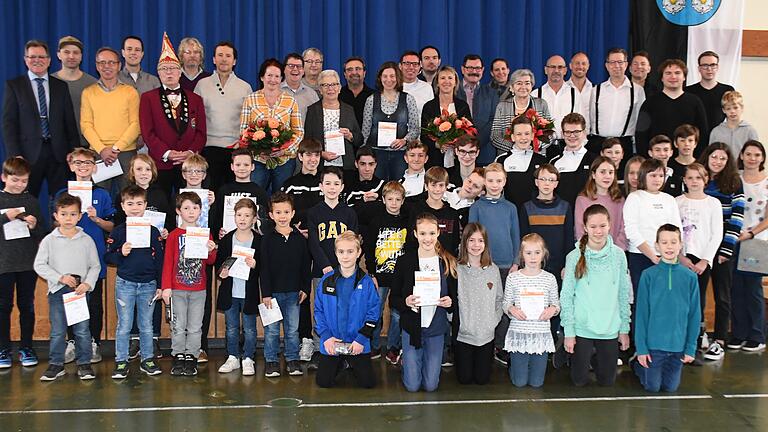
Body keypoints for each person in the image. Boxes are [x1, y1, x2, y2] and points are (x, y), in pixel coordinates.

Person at [54, 148, 115, 364]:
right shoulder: (63, 193)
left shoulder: (102, 194)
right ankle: (73, 342)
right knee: (72, 300)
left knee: (94, 302)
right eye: (78, 163)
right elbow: (54, 224)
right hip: (69, 256)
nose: (82, 167)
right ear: (71, 165)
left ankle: (93, 342)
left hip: (94, 256)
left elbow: (112, 226)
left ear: (95, 167)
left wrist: (96, 219)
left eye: (87, 163)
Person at [561, 204, 631, 386]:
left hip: (609, 327)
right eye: (593, 227)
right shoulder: (574, 257)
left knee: (607, 381)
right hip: (582, 327)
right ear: (585, 228)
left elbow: (624, 293)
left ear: (610, 225)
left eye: (602, 226)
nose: (598, 231)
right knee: (579, 381)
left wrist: (624, 329)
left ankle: (596, 358)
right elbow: (566, 295)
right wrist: (569, 332)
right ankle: (572, 352)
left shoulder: (618, 256)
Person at [34, 194, 100, 381]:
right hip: (57, 292)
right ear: (56, 216)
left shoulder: (86, 240)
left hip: (79, 293)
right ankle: (56, 364)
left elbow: (95, 266)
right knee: (57, 330)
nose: (68, 218)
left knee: (81, 329)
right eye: (64, 214)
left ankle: (84, 363)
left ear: (80, 216)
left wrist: (87, 284)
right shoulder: (49, 240)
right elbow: (40, 265)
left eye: (73, 214)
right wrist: (60, 278)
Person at [3, 39, 79, 197]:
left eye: (41, 57)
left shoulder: (60, 86)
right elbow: (9, 123)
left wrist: (74, 151)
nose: (37, 60)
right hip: (27, 154)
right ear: (25, 60)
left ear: (49, 60)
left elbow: (69, 122)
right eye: (32, 57)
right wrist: (15, 155)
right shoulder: (14, 86)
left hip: (58, 153)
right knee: (25, 198)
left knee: (61, 199)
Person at [391, 213, 457, 392]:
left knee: (430, 386)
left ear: (438, 233)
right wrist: (406, 301)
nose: (427, 238)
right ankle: (407, 359)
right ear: (415, 234)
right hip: (412, 327)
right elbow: (393, 299)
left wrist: (449, 302)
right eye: (422, 234)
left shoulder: (447, 262)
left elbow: (454, 299)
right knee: (412, 386)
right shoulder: (405, 261)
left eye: (431, 233)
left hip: (436, 328)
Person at [104, 185, 164, 378]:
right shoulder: (119, 231)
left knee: (147, 325)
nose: (135, 207)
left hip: (148, 285)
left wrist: (161, 285)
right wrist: (121, 252)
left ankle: (147, 359)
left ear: (145, 205)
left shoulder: (153, 231)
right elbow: (108, 257)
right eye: (130, 204)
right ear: (122, 206)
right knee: (124, 325)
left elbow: (160, 259)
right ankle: (121, 362)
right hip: (126, 285)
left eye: (139, 203)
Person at [633, 224, 700, 392]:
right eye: (664, 242)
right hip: (654, 346)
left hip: (678, 346)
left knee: (670, 388)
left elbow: (694, 315)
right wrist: (641, 348)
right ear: (656, 245)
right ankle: (637, 364)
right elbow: (641, 314)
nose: (669, 246)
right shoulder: (648, 275)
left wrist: (690, 348)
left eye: (673, 242)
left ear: (680, 245)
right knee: (652, 387)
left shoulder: (690, 277)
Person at [140, 33, 207, 193]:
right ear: (159, 73)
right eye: (164, 69)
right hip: (160, 163)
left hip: (188, 165)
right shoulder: (148, 98)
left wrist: (189, 153)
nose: (169, 73)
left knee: (188, 205)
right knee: (160, 205)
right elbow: (147, 132)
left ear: (180, 72)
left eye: (173, 69)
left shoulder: (195, 99)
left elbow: (201, 132)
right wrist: (167, 153)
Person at [307, 167, 359, 366]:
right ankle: (322, 350)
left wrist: (342, 268)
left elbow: (353, 244)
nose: (332, 187)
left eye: (336, 184)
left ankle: (344, 352)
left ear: (342, 187)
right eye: (327, 183)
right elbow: (313, 243)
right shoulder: (314, 213)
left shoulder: (349, 213)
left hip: (345, 272)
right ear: (321, 187)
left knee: (344, 310)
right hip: (321, 271)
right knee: (322, 311)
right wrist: (326, 266)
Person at [314, 231, 380, 388]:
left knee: (368, 384)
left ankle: (350, 361)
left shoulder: (367, 282)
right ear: (336, 253)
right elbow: (318, 311)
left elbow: (373, 313)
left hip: (357, 343)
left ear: (358, 253)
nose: (345, 256)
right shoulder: (326, 280)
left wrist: (361, 339)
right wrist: (327, 337)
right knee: (323, 382)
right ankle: (342, 362)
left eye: (350, 251)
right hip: (333, 341)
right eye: (341, 252)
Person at [698, 143, 745, 361]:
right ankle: (699, 336)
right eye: (714, 157)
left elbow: (737, 218)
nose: (717, 162)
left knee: (722, 295)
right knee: (696, 295)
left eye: (722, 159)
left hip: (723, 245)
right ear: (707, 158)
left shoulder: (734, 183)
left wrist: (726, 249)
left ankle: (719, 340)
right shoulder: (697, 178)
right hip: (700, 245)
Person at [162, 192, 217, 376]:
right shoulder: (173, 236)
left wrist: (211, 250)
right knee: (178, 325)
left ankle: (192, 356)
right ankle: (178, 355)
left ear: (201, 210)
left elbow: (210, 262)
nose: (191, 212)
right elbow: (168, 261)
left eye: (195, 208)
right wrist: (166, 287)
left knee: (195, 326)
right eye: (186, 208)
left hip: (198, 289)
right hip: (177, 288)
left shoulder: (205, 234)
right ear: (178, 211)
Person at [0, 157, 45, 369]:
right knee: (3, 307)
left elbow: (42, 234)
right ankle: (3, 348)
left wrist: (35, 226)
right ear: (4, 177)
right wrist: (4, 218)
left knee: (26, 306)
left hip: (27, 263)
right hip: (3, 264)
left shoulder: (31, 201)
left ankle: (27, 346)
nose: (19, 185)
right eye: (15, 180)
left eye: (24, 181)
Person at [260, 192, 312, 376]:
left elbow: (306, 266)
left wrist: (305, 288)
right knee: (272, 331)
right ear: (271, 215)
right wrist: (266, 293)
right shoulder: (266, 239)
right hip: (272, 294)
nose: (282, 216)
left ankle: (292, 359)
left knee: (292, 330)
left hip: (293, 294)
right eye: (278, 212)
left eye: (286, 212)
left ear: (292, 213)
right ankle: (271, 361)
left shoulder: (300, 239)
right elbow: (263, 268)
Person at [80, 46, 141, 195]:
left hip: (125, 152)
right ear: (96, 66)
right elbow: (86, 125)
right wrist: (102, 149)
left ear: (119, 65)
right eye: (102, 63)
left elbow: (136, 124)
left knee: (128, 197)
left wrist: (115, 148)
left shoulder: (130, 92)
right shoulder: (88, 93)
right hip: (98, 153)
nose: (107, 66)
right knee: (98, 198)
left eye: (111, 62)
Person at [676, 162, 723, 352]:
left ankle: (694, 343)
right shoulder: (677, 202)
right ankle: (677, 340)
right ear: (684, 180)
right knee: (679, 300)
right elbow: (672, 231)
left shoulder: (713, 203)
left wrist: (706, 260)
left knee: (698, 301)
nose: (694, 181)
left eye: (698, 178)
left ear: (706, 180)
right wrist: (680, 256)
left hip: (702, 261)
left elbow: (716, 234)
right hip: (681, 258)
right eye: (690, 178)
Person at [194, 41, 253, 192]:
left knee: (231, 196)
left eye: (228, 56)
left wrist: (242, 144)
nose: (224, 59)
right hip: (208, 148)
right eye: (220, 55)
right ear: (213, 59)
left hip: (234, 149)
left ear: (234, 61)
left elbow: (250, 121)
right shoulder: (202, 85)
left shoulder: (245, 87)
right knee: (210, 194)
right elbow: (194, 119)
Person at [504, 233, 560, 387]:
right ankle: (513, 368)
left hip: (540, 335)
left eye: (537, 252)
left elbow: (556, 304)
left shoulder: (549, 278)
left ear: (544, 254)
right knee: (520, 383)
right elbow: (506, 303)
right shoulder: (513, 278)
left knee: (537, 384)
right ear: (522, 255)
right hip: (519, 333)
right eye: (528, 253)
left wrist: (552, 310)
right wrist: (511, 309)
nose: (533, 257)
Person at [240, 58, 304, 192]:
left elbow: (298, 132)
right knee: (255, 197)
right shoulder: (251, 99)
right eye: (269, 75)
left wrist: (285, 150)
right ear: (262, 77)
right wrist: (257, 149)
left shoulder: (290, 100)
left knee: (281, 198)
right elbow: (244, 130)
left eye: (277, 76)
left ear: (281, 79)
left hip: (284, 161)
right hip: (258, 160)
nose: (273, 80)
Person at [363, 181, 409, 363]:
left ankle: (393, 347)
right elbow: (369, 248)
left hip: (401, 277)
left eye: (398, 199)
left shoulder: (407, 222)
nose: (394, 203)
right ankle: (374, 346)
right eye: (390, 199)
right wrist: (372, 273)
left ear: (403, 201)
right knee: (376, 311)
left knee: (397, 314)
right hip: (380, 276)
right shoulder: (376, 222)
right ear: (383, 200)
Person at [623, 158, 682, 297]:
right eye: (653, 175)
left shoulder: (669, 199)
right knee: (644, 299)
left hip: (667, 257)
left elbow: (677, 230)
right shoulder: (634, 197)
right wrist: (653, 257)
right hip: (641, 256)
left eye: (661, 175)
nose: (657, 179)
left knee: (665, 299)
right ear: (643, 176)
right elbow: (631, 231)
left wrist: (671, 254)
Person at [215, 199, 261, 376]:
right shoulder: (227, 239)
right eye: (239, 215)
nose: (242, 219)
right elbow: (220, 264)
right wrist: (222, 272)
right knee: (231, 327)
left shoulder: (259, 240)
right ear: (234, 217)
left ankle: (248, 357)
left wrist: (256, 264)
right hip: (230, 292)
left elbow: (264, 267)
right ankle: (233, 356)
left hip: (248, 292)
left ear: (254, 218)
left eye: (247, 215)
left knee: (249, 328)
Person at [454, 223, 503, 385]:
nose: (476, 245)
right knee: (464, 379)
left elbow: (499, 299)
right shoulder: (456, 269)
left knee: (482, 379)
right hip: (464, 333)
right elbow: (450, 299)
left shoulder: (493, 270)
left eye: (480, 241)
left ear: (486, 244)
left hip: (486, 334)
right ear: (464, 243)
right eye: (471, 240)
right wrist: (456, 321)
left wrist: (492, 322)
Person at [731, 141, 768, 352]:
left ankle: (757, 335)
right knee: (736, 288)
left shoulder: (767, 182)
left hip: (757, 241)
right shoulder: (735, 179)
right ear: (742, 156)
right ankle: (738, 333)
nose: (752, 158)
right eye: (748, 154)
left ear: (762, 158)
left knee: (753, 289)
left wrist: (751, 233)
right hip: (734, 240)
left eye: (757, 154)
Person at [635, 59, 709, 157]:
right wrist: (646, 159)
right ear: (662, 78)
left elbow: (703, 134)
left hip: (687, 161)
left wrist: (698, 159)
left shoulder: (695, 102)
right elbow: (641, 135)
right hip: (657, 161)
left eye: (677, 73)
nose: (673, 76)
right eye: (668, 73)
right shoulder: (650, 103)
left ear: (684, 77)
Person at [361, 62, 420, 181]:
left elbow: (415, 128)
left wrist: (404, 140)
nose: (389, 79)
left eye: (392, 76)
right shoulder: (371, 100)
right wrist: (363, 153)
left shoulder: (408, 99)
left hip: (400, 155)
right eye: (385, 76)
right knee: (377, 188)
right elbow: (365, 130)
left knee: (399, 188)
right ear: (380, 78)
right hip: (376, 154)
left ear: (398, 78)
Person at [587, 48, 645, 168]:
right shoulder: (596, 90)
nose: (616, 66)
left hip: (624, 145)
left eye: (620, 62)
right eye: (612, 62)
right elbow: (590, 118)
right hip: (598, 144)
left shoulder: (637, 91)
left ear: (626, 64)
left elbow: (641, 121)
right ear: (607, 66)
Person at [520, 164, 574, 282]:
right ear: (536, 182)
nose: (546, 183)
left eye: (551, 180)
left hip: (559, 267)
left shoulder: (565, 207)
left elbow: (569, 239)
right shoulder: (527, 208)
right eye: (543, 179)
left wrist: (567, 265)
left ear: (556, 184)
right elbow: (523, 239)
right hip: (534, 265)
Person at [304, 69, 363, 170]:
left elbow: (359, 140)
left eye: (334, 84)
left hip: (345, 167)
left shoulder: (349, 110)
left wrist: (350, 136)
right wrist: (320, 153)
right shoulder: (312, 110)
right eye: (325, 85)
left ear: (339, 88)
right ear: (320, 89)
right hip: (319, 165)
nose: (330, 88)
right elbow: (307, 141)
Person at [209, 149, 271, 242]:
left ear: (252, 167)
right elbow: (217, 215)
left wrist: (258, 231)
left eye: (246, 165)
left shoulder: (260, 192)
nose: (242, 168)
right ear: (232, 167)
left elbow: (264, 219)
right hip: (227, 238)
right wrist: (218, 231)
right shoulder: (224, 190)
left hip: (251, 240)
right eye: (238, 165)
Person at [51, 36, 98, 148]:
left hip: (86, 145)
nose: (71, 56)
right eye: (66, 52)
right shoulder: (49, 83)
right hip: (56, 146)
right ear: (59, 55)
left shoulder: (93, 83)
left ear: (81, 56)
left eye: (76, 52)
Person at [421, 66, 471, 168]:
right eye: (443, 78)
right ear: (437, 83)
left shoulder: (462, 106)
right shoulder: (429, 106)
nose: (446, 81)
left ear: (455, 82)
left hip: (459, 160)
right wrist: (438, 144)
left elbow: (469, 132)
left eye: (450, 78)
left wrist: (457, 143)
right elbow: (424, 135)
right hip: (434, 160)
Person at [491, 69, 551, 155]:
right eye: (519, 83)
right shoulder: (502, 106)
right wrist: (516, 147)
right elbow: (495, 137)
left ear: (532, 86)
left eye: (527, 83)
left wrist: (535, 145)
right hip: (508, 155)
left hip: (536, 155)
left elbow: (551, 133)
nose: (523, 87)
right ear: (511, 87)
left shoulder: (541, 104)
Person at [575, 157, 628, 251]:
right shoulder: (582, 199)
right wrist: (591, 251)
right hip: (590, 253)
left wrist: (616, 251)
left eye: (611, 172)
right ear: (594, 174)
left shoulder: (619, 199)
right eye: (602, 172)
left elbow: (623, 229)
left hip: (615, 253)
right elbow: (580, 230)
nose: (607, 176)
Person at [494, 115, 547, 208]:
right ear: (513, 137)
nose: (523, 138)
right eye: (519, 134)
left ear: (532, 136)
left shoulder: (541, 160)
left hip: (534, 213)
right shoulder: (501, 160)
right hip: (509, 213)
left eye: (527, 134)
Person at [409, 167, 462, 255]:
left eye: (441, 185)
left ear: (446, 186)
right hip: (421, 261)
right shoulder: (416, 210)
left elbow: (454, 243)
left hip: (446, 263)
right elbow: (411, 240)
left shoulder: (452, 214)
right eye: (433, 185)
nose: (437, 189)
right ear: (426, 186)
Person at [549, 113, 597, 207]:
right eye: (568, 132)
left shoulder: (595, 160)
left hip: (588, 216)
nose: (572, 136)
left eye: (576, 132)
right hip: (562, 216)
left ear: (584, 133)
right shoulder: (554, 162)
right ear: (562, 134)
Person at [535, 55, 584, 140]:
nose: (556, 71)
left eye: (560, 67)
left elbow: (581, 123)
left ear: (565, 71)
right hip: (543, 147)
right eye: (552, 67)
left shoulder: (575, 94)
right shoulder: (535, 95)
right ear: (546, 70)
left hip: (568, 145)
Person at [685, 51, 735, 133]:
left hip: (719, 137)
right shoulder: (688, 91)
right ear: (699, 69)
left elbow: (732, 116)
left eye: (713, 65)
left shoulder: (727, 90)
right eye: (705, 65)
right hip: (694, 139)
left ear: (717, 67)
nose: (709, 69)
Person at [280, 139, 323, 234]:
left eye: (316, 155)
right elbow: (280, 211)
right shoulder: (290, 185)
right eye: (308, 155)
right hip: (296, 235)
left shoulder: (326, 183)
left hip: (323, 235)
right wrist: (292, 229)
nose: (313, 159)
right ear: (300, 156)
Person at [709, 91, 759, 156]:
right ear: (723, 110)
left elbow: (755, 154)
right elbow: (711, 154)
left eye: (735, 108)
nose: (732, 111)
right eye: (728, 108)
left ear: (742, 108)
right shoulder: (716, 131)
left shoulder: (750, 131)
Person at [281, 53, 319, 123]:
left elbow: (318, 119)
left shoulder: (312, 94)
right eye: (291, 66)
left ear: (303, 71)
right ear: (284, 69)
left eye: (299, 66)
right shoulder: (276, 91)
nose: (295, 69)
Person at [339, 56, 375, 127]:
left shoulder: (375, 96)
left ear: (364, 73)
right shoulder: (338, 95)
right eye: (350, 69)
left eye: (358, 69)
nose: (354, 72)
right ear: (345, 74)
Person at [399, 51, 434, 116]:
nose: (411, 67)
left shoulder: (427, 88)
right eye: (407, 63)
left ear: (419, 66)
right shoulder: (393, 86)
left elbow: (431, 115)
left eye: (415, 64)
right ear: (400, 66)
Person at [668, 124, 700, 191]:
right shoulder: (668, 165)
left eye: (690, 140)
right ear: (675, 144)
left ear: (695, 144)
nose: (686, 144)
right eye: (682, 140)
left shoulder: (701, 166)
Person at [567, 52, 593, 126]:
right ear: (570, 66)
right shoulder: (563, 90)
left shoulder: (594, 90)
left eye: (583, 64)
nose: (580, 66)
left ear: (588, 66)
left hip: (590, 135)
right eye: (577, 63)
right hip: (569, 134)